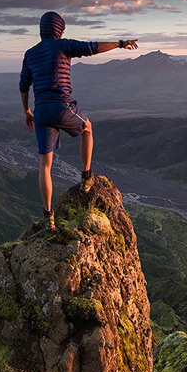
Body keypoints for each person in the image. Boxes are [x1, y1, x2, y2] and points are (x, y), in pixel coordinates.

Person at [20, 11, 138, 230]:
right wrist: (121, 43)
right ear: (59, 29)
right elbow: (93, 47)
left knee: (45, 165)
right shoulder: (63, 45)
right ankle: (86, 177)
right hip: (61, 106)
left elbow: (23, 85)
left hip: (41, 111)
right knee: (88, 128)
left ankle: (48, 217)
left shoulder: (30, 53)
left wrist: (27, 111)